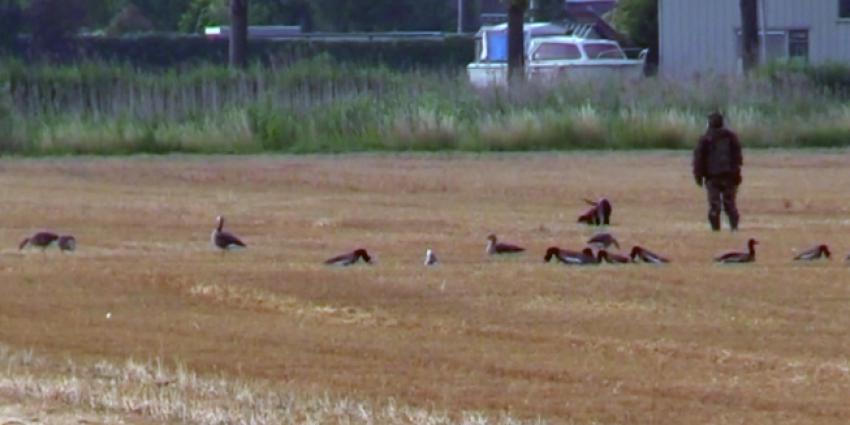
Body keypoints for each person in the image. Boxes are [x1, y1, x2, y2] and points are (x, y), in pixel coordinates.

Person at [693, 112, 743, 232]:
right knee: (730, 204)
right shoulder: (731, 137)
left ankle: (716, 229)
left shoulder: (705, 138)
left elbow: (699, 159)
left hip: (712, 177)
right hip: (729, 176)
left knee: (714, 205)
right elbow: (738, 158)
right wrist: (737, 174)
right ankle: (734, 228)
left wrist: (698, 176)